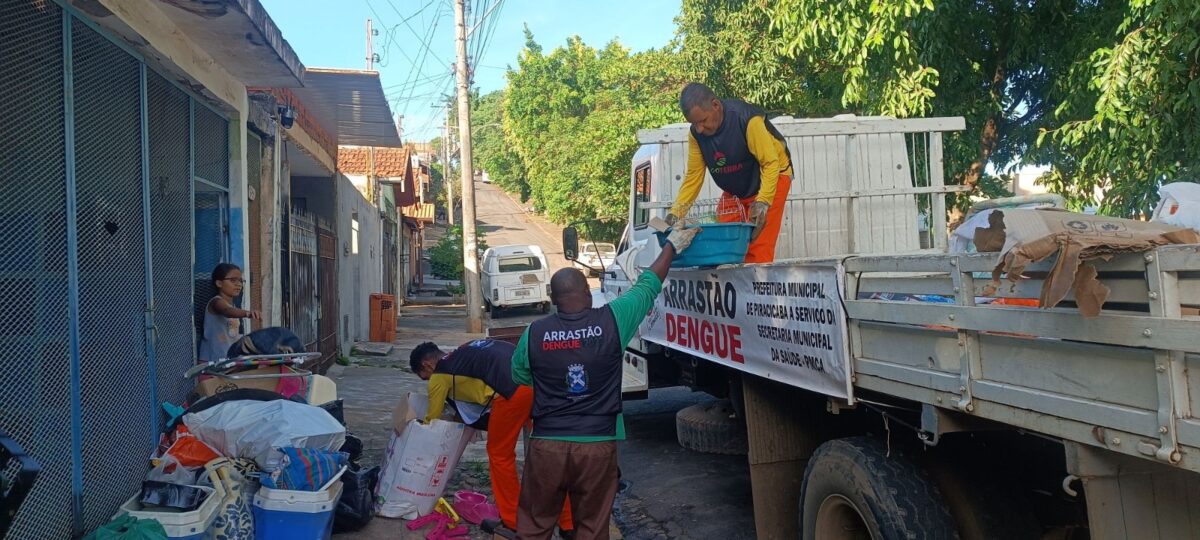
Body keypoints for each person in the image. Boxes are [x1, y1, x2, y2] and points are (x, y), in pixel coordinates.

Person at [512, 225, 701, 540]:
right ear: (587, 293)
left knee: (534, 525)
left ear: (552, 299)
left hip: (547, 445)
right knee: (592, 527)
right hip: (598, 445)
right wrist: (672, 245)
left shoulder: (534, 333)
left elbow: (519, 376)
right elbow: (648, 284)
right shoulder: (612, 320)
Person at [409, 339, 574, 536]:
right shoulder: (466, 348)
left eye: (425, 377)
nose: (428, 380)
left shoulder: (440, 375)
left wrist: (413, 430)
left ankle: (512, 522)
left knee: (499, 454)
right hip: (540, 384)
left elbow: (432, 420)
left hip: (513, 392)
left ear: (427, 365)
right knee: (549, 453)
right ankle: (569, 523)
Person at [668, 82, 794, 264]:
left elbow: (770, 163)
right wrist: (675, 213)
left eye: (702, 121)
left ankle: (754, 288)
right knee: (722, 242)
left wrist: (763, 202)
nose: (699, 129)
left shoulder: (747, 120)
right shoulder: (696, 135)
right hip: (736, 189)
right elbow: (693, 177)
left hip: (772, 178)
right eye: (694, 124)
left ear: (715, 105)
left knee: (757, 248)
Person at [198, 263, 260, 363]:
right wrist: (247, 313)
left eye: (240, 281)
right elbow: (227, 311)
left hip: (227, 362)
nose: (239, 284)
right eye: (233, 280)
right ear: (219, 283)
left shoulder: (234, 306)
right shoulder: (216, 302)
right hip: (211, 363)